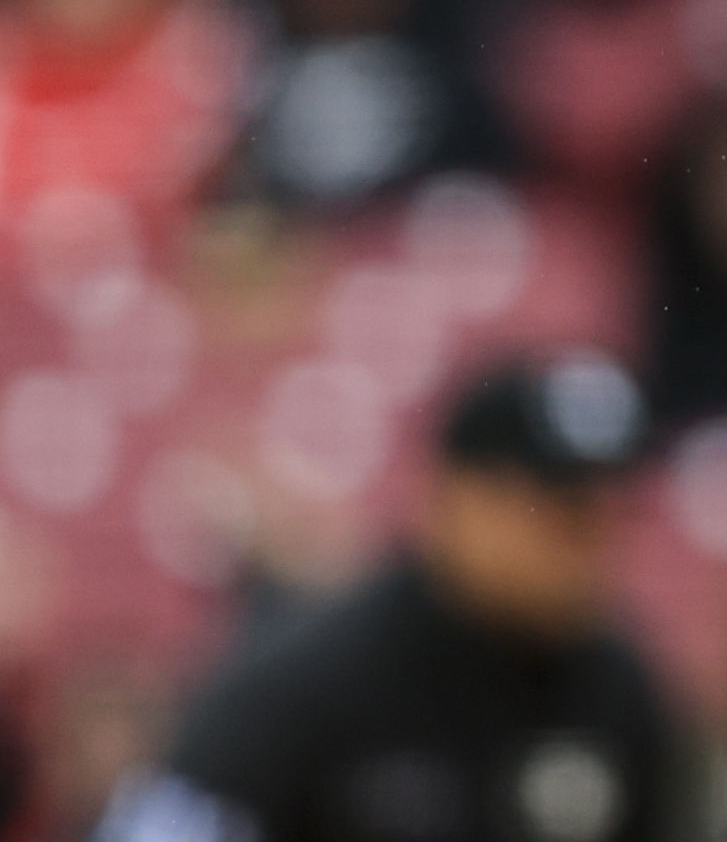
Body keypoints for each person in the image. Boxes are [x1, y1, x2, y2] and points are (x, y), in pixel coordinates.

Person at [101, 353, 688, 842]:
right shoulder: (303, 682)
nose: (590, 552)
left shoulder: (617, 692)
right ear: (456, 498)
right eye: (561, 518)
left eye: (612, 520)